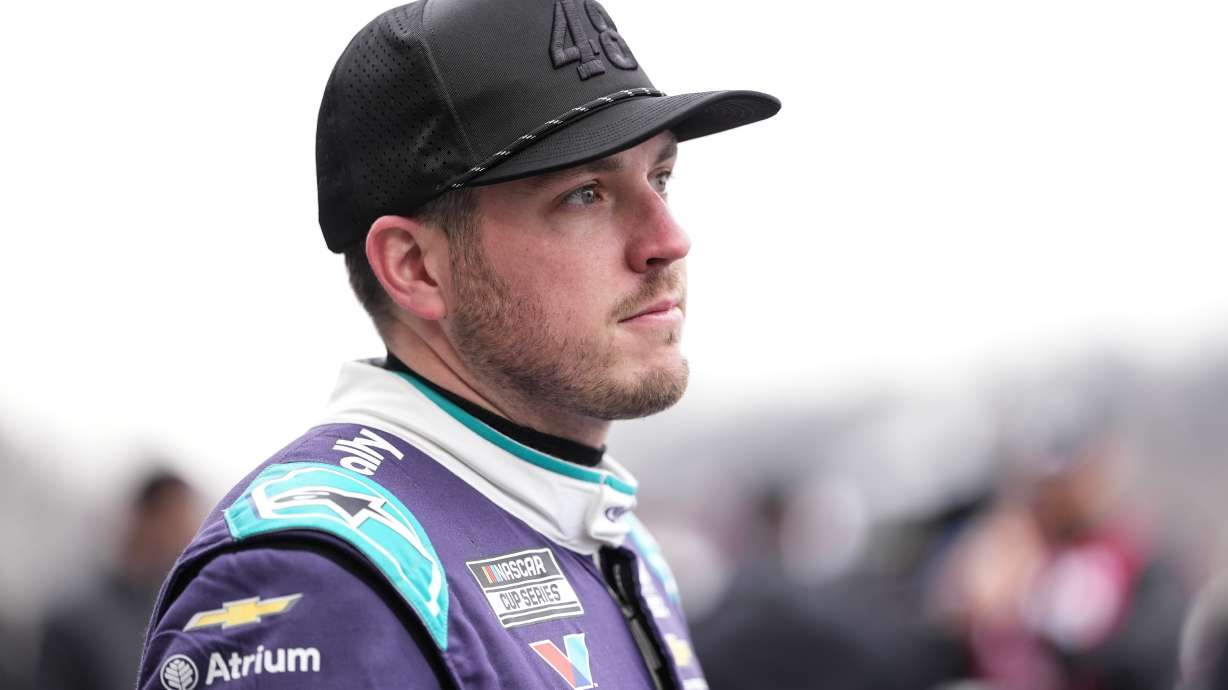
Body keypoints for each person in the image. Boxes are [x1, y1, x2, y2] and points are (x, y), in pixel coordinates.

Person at [136, 1, 779, 688]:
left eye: (660, 178)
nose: (668, 240)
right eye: (585, 194)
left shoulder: (613, 539)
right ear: (414, 267)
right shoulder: (317, 586)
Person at [41, 469, 201, 690]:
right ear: (144, 517)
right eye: (175, 521)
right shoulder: (73, 614)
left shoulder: (178, 615)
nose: (188, 536)